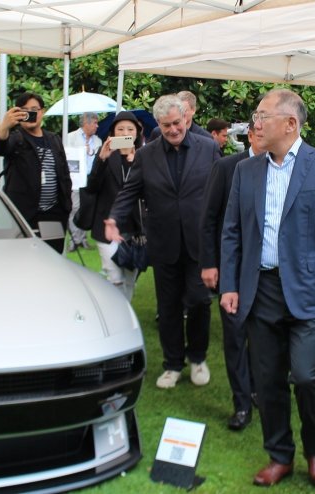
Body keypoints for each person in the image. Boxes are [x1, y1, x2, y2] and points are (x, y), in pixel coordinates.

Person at [220, 88, 315, 488]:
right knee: (267, 379)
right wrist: (230, 283)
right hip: (260, 290)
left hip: (310, 293)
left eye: (262, 115)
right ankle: (279, 455)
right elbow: (231, 232)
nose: (255, 123)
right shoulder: (247, 170)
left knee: (309, 377)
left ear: (290, 124)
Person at [106, 94, 220, 389]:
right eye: (166, 125)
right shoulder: (147, 154)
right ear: (158, 124)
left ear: (186, 118)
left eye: (177, 123)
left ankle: (197, 358)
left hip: (199, 242)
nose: (172, 129)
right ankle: (172, 364)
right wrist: (114, 217)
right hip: (164, 242)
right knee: (168, 307)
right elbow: (130, 191)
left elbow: (220, 192)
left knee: (198, 303)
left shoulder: (208, 148)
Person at [200, 120, 261, 431]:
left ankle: (256, 389)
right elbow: (209, 218)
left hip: (266, 274)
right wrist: (209, 263)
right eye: (262, 134)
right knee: (236, 338)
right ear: (250, 134)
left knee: (262, 340)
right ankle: (241, 404)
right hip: (232, 272)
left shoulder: (280, 168)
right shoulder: (226, 168)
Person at [0, 92, 72, 253]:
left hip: (54, 215)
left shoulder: (54, 139)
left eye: (34, 109)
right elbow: (1, 149)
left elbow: (64, 174)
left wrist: (66, 206)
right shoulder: (16, 138)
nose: (30, 113)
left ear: (42, 112)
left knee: (53, 258)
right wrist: (4, 127)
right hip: (25, 215)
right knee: (24, 259)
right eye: (25, 110)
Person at [85, 111, 144, 300]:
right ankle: (118, 316)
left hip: (133, 230)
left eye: (129, 129)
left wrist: (134, 164)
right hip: (106, 226)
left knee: (129, 279)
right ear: (113, 133)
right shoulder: (106, 156)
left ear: (136, 133)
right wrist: (101, 159)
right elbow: (92, 187)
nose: (125, 133)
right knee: (115, 278)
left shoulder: (143, 157)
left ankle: (125, 314)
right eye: (120, 129)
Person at [65, 112, 101, 251]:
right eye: (95, 123)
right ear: (86, 123)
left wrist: (91, 151)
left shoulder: (98, 140)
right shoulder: (70, 137)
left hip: (91, 179)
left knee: (86, 209)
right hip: (75, 179)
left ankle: (83, 239)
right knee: (74, 208)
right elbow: (67, 155)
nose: (97, 126)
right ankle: (75, 240)